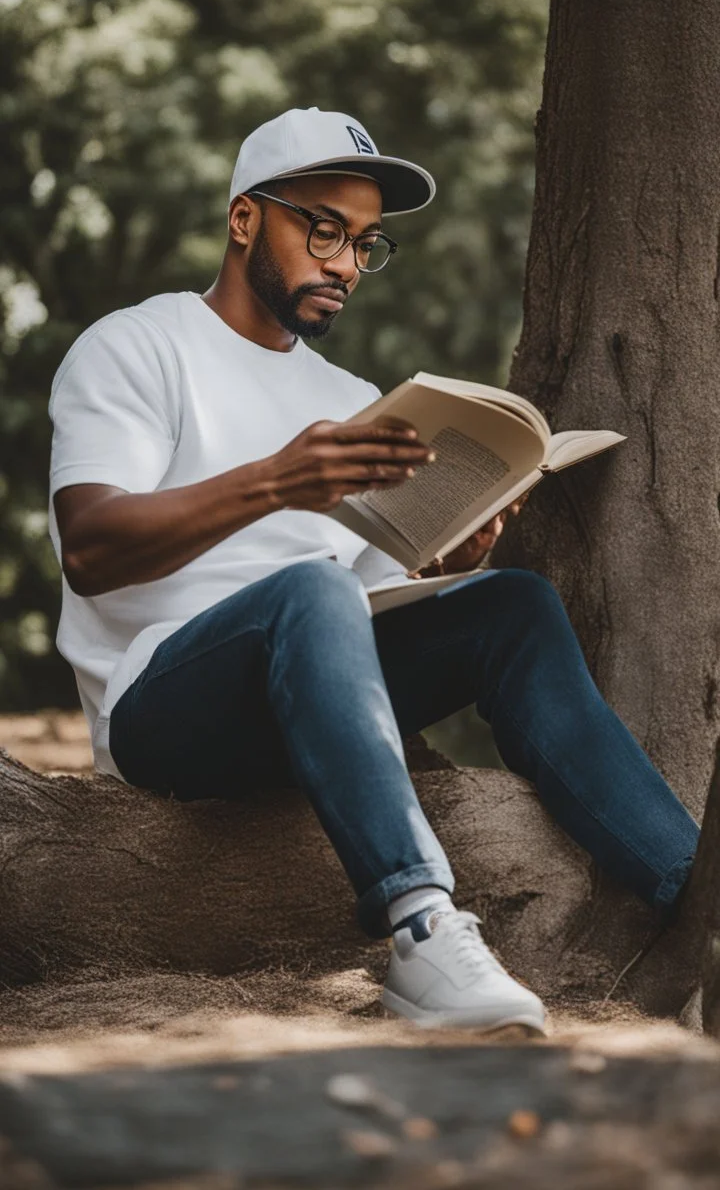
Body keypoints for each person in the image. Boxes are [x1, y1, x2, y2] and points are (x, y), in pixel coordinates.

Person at [47, 107, 699, 1033]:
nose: (346, 264)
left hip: (311, 705)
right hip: (163, 711)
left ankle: (694, 890)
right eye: (323, 230)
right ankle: (425, 930)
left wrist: (451, 547)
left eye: (365, 243)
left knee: (510, 602)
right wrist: (276, 481)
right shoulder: (137, 347)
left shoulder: (357, 405)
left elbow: (360, 609)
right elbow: (91, 547)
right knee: (304, 591)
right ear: (243, 220)